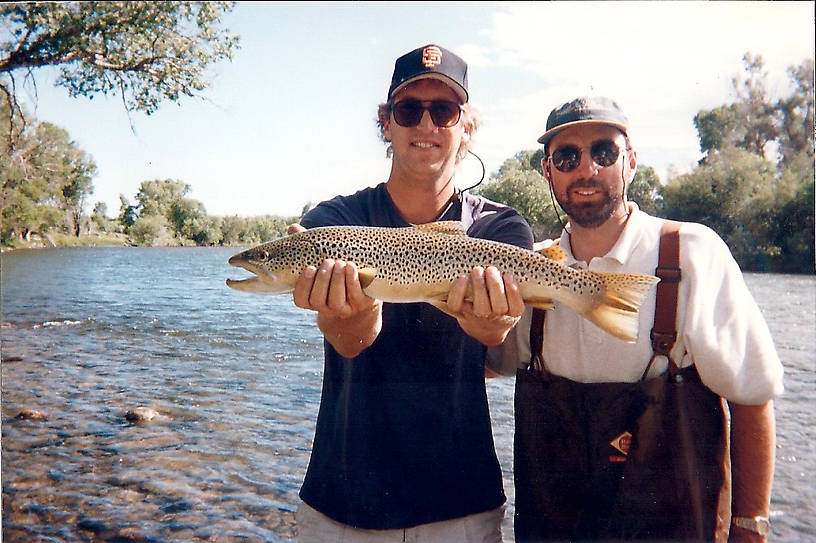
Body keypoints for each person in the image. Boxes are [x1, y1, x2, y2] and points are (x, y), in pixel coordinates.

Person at [488, 96, 784, 542]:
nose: (586, 170)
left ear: (630, 162)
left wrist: (750, 527)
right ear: (547, 171)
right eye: (567, 156)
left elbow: (753, 396)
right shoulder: (525, 269)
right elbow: (490, 364)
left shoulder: (691, 253)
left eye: (603, 153)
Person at [289, 44, 534, 542]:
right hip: (343, 504)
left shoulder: (500, 228)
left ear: (466, 127)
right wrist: (352, 314)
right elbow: (349, 341)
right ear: (387, 123)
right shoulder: (335, 224)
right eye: (408, 110)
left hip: (460, 505)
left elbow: (492, 331)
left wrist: (493, 318)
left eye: (443, 111)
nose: (426, 125)